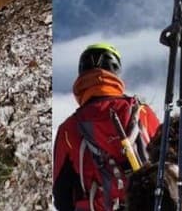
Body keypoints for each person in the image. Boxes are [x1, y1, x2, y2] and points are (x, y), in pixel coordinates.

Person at [53, 43, 160, 211]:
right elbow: (167, 165)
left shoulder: (68, 129)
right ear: (116, 73)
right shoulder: (143, 113)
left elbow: (61, 196)